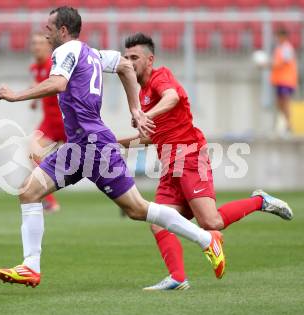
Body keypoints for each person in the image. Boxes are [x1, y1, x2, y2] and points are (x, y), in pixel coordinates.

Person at [0, 7, 226, 288]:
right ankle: (30, 266)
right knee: (29, 192)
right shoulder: (92, 54)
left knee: (138, 209)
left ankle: (206, 239)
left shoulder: (65, 52)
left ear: (63, 31)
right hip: (79, 146)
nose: (45, 32)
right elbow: (125, 67)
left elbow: (58, 83)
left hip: (94, 144)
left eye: (50, 28)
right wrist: (136, 110)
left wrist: (17, 95)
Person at [118, 33, 294, 290]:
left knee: (211, 223)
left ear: (149, 59)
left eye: (135, 57)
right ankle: (178, 278)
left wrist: (145, 114)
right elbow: (149, 136)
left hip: (189, 156)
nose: (129, 62)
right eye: (126, 57)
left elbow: (172, 98)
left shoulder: (160, 76)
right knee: (158, 223)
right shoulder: (140, 93)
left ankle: (261, 201)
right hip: (170, 165)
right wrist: (113, 143)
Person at [28, 32, 67, 212]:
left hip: (66, 122)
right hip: (50, 123)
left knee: (95, 162)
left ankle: (124, 193)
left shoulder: (54, 66)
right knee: (33, 152)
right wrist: (34, 100)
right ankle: (49, 201)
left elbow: (56, 86)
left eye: (40, 43)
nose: (36, 47)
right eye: (34, 43)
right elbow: (38, 85)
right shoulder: (35, 68)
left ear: (48, 47)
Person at [270, 27, 298, 135]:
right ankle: (284, 123)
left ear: (283, 36)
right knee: (279, 103)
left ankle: (289, 125)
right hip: (280, 80)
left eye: (279, 36)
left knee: (285, 102)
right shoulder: (280, 48)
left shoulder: (287, 48)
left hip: (287, 80)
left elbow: (283, 62)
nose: (277, 38)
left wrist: (267, 64)